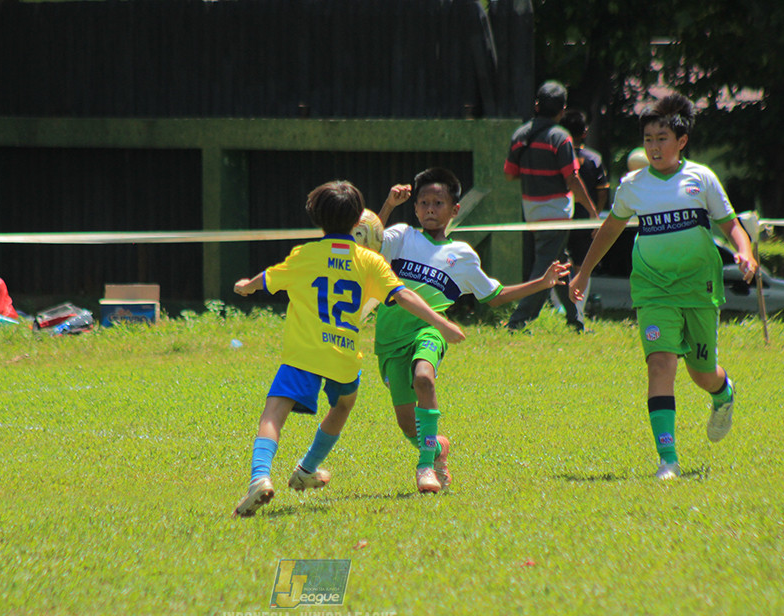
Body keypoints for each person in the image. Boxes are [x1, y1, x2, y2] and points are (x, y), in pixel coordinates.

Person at [232, 180, 465, 517]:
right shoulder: (369, 261)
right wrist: (442, 323)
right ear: (360, 218)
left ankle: (259, 478)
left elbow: (267, 278)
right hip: (342, 357)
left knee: (274, 413)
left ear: (316, 216)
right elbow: (403, 295)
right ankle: (307, 468)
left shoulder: (305, 255)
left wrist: (246, 286)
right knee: (343, 403)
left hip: (304, 355)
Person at [568, 93, 758, 480]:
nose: (654, 147)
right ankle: (667, 459)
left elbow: (730, 224)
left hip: (699, 288)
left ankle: (723, 393)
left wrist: (745, 252)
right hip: (654, 289)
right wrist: (584, 271)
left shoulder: (701, 178)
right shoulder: (633, 185)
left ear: (681, 141)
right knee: (660, 364)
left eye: (662, 138)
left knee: (700, 373)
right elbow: (609, 231)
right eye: (648, 139)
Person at [376, 167, 571, 493]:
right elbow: (366, 245)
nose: (429, 209)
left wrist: (542, 282)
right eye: (423, 202)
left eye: (438, 203)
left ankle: (425, 466)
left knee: (424, 377)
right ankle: (437, 447)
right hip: (389, 340)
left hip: (431, 330)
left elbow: (494, 297)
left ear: (455, 210)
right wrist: (387, 206)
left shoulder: (462, 256)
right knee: (407, 424)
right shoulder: (400, 237)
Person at [503, 81, 598, 333]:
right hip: (556, 212)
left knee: (559, 265)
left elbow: (510, 174)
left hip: (532, 211)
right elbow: (572, 179)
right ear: (562, 109)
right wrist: (591, 210)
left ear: (536, 105)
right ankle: (518, 320)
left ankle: (575, 320)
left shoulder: (519, 136)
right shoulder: (560, 137)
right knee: (545, 267)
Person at [559, 109, 610, 324]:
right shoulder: (593, 158)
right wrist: (595, 215)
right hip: (585, 220)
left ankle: (560, 308)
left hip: (560, 217)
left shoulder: (558, 156)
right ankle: (578, 309)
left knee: (560, 262)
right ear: (585, 132)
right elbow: (602, 190)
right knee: (583, 264)